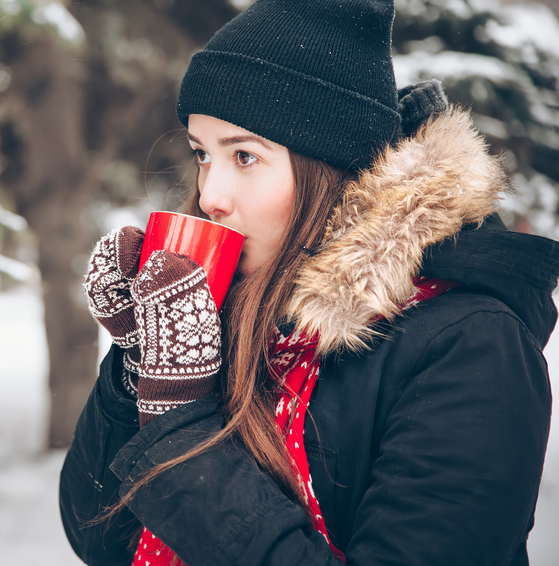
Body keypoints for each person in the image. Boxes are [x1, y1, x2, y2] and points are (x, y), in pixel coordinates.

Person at [59, 1, 559, 564]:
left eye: (244, 156)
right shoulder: (232, 315)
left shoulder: (472, 346)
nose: (209, 196)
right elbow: (99, 537)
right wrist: (139, 368)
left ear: (332, 170)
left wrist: (179, 421)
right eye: (202, 154)